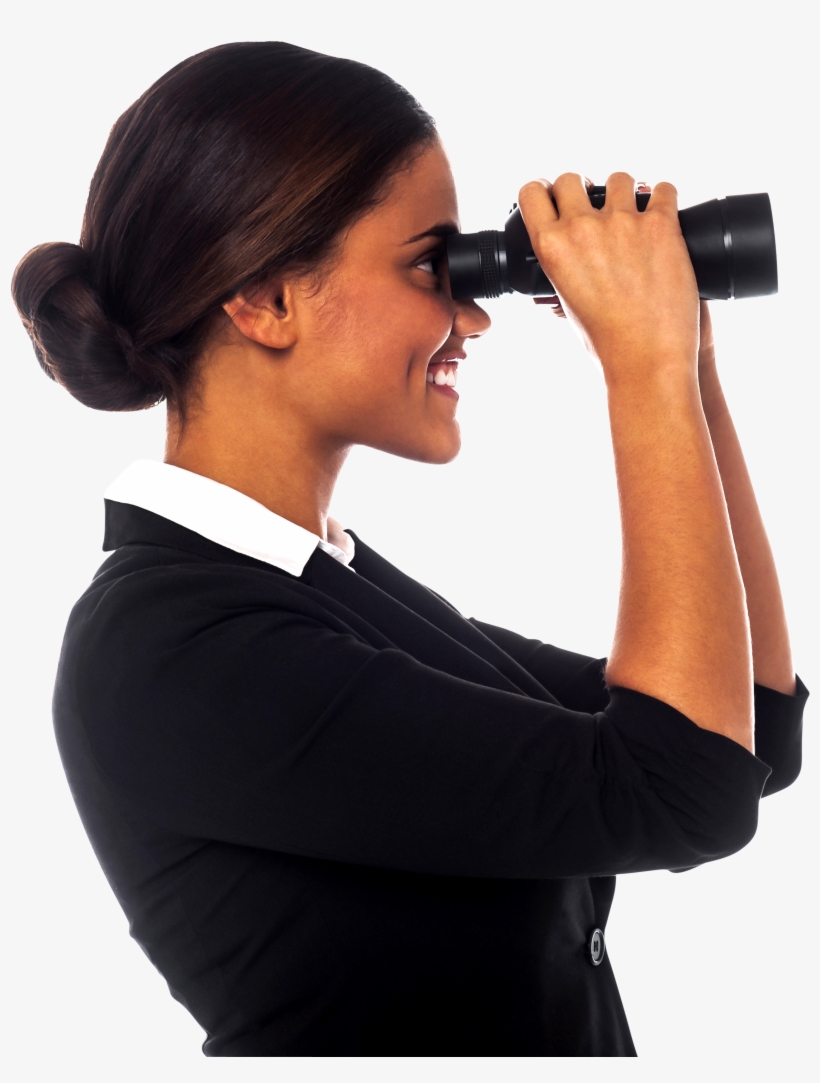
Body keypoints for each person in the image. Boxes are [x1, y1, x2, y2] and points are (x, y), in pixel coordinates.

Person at [11, 41, 806, 1057]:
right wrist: (637, 368)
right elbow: (678, 787)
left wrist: (683, 360)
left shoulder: (320, 589)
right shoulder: (178, 648)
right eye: (431, 266)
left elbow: (746, 739)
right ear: (265, 299)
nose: (471, 315)